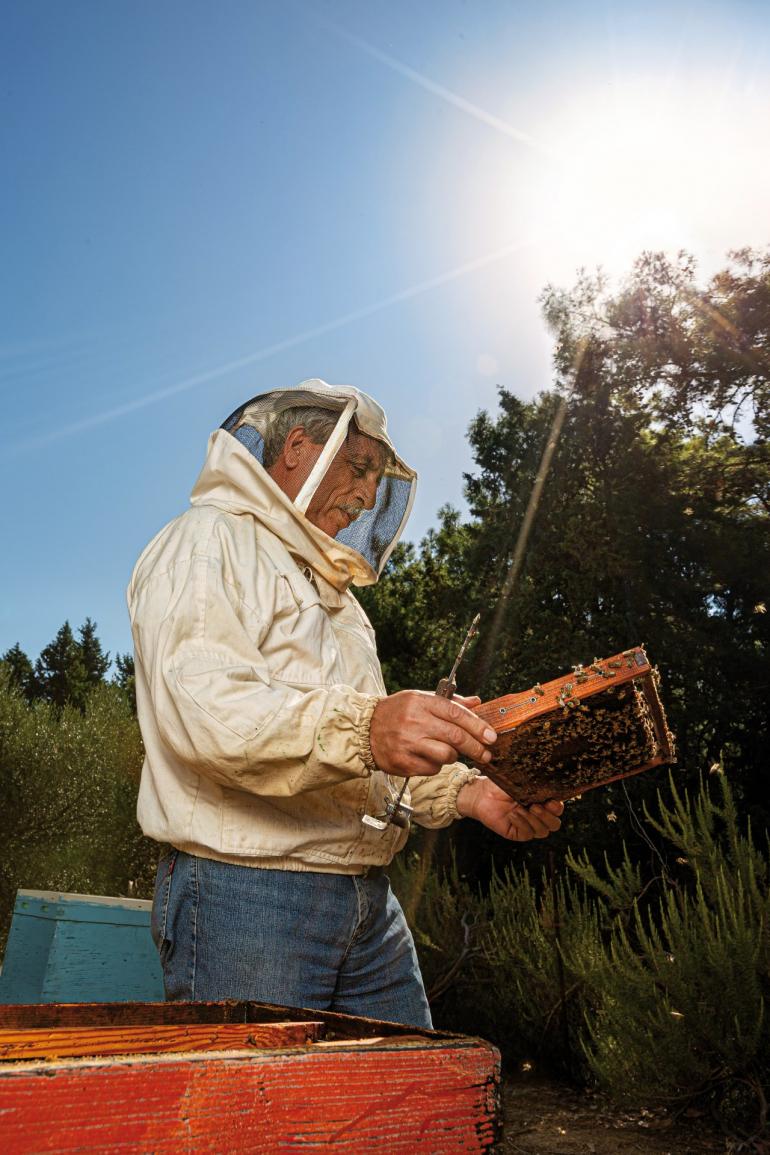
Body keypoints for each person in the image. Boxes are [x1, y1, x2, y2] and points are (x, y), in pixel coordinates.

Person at [128, 379, 563, 1027]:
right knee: (258, 1097)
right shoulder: (208, 540)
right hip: (245, 894)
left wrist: (471, 793)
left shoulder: (342, 603)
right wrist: (369, 726)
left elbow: (365, 760)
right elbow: (207, 713)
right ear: (297, 448)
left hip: (366, 900)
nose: (366, 496)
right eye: (358, 468)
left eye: (377, 479)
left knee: (409, 1089)